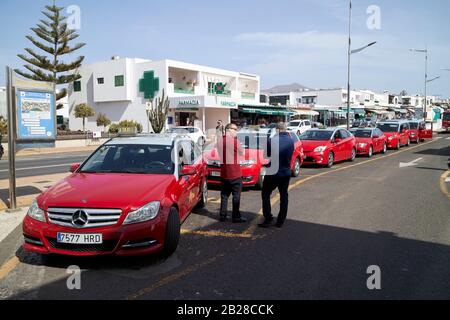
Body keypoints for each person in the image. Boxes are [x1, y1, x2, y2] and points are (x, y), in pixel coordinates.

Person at [259, 122, 294, 229]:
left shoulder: (271, 140)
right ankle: (280, 221)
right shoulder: (291, 141)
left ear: (278, 130)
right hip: (285, 172)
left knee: (265, 194)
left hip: (272, 172)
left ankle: (268, 218)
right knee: (284, 196)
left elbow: (266, 155)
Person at [216, 123, 247, 223]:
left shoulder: (220, 141)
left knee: (224, 196)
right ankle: (236, 216)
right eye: (235, 129)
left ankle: (222, 215)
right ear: (229, 129)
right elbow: (242, 153)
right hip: (235, 173)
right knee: (236, 196)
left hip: (224, 173)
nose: (236, 131)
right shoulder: (235, 142)